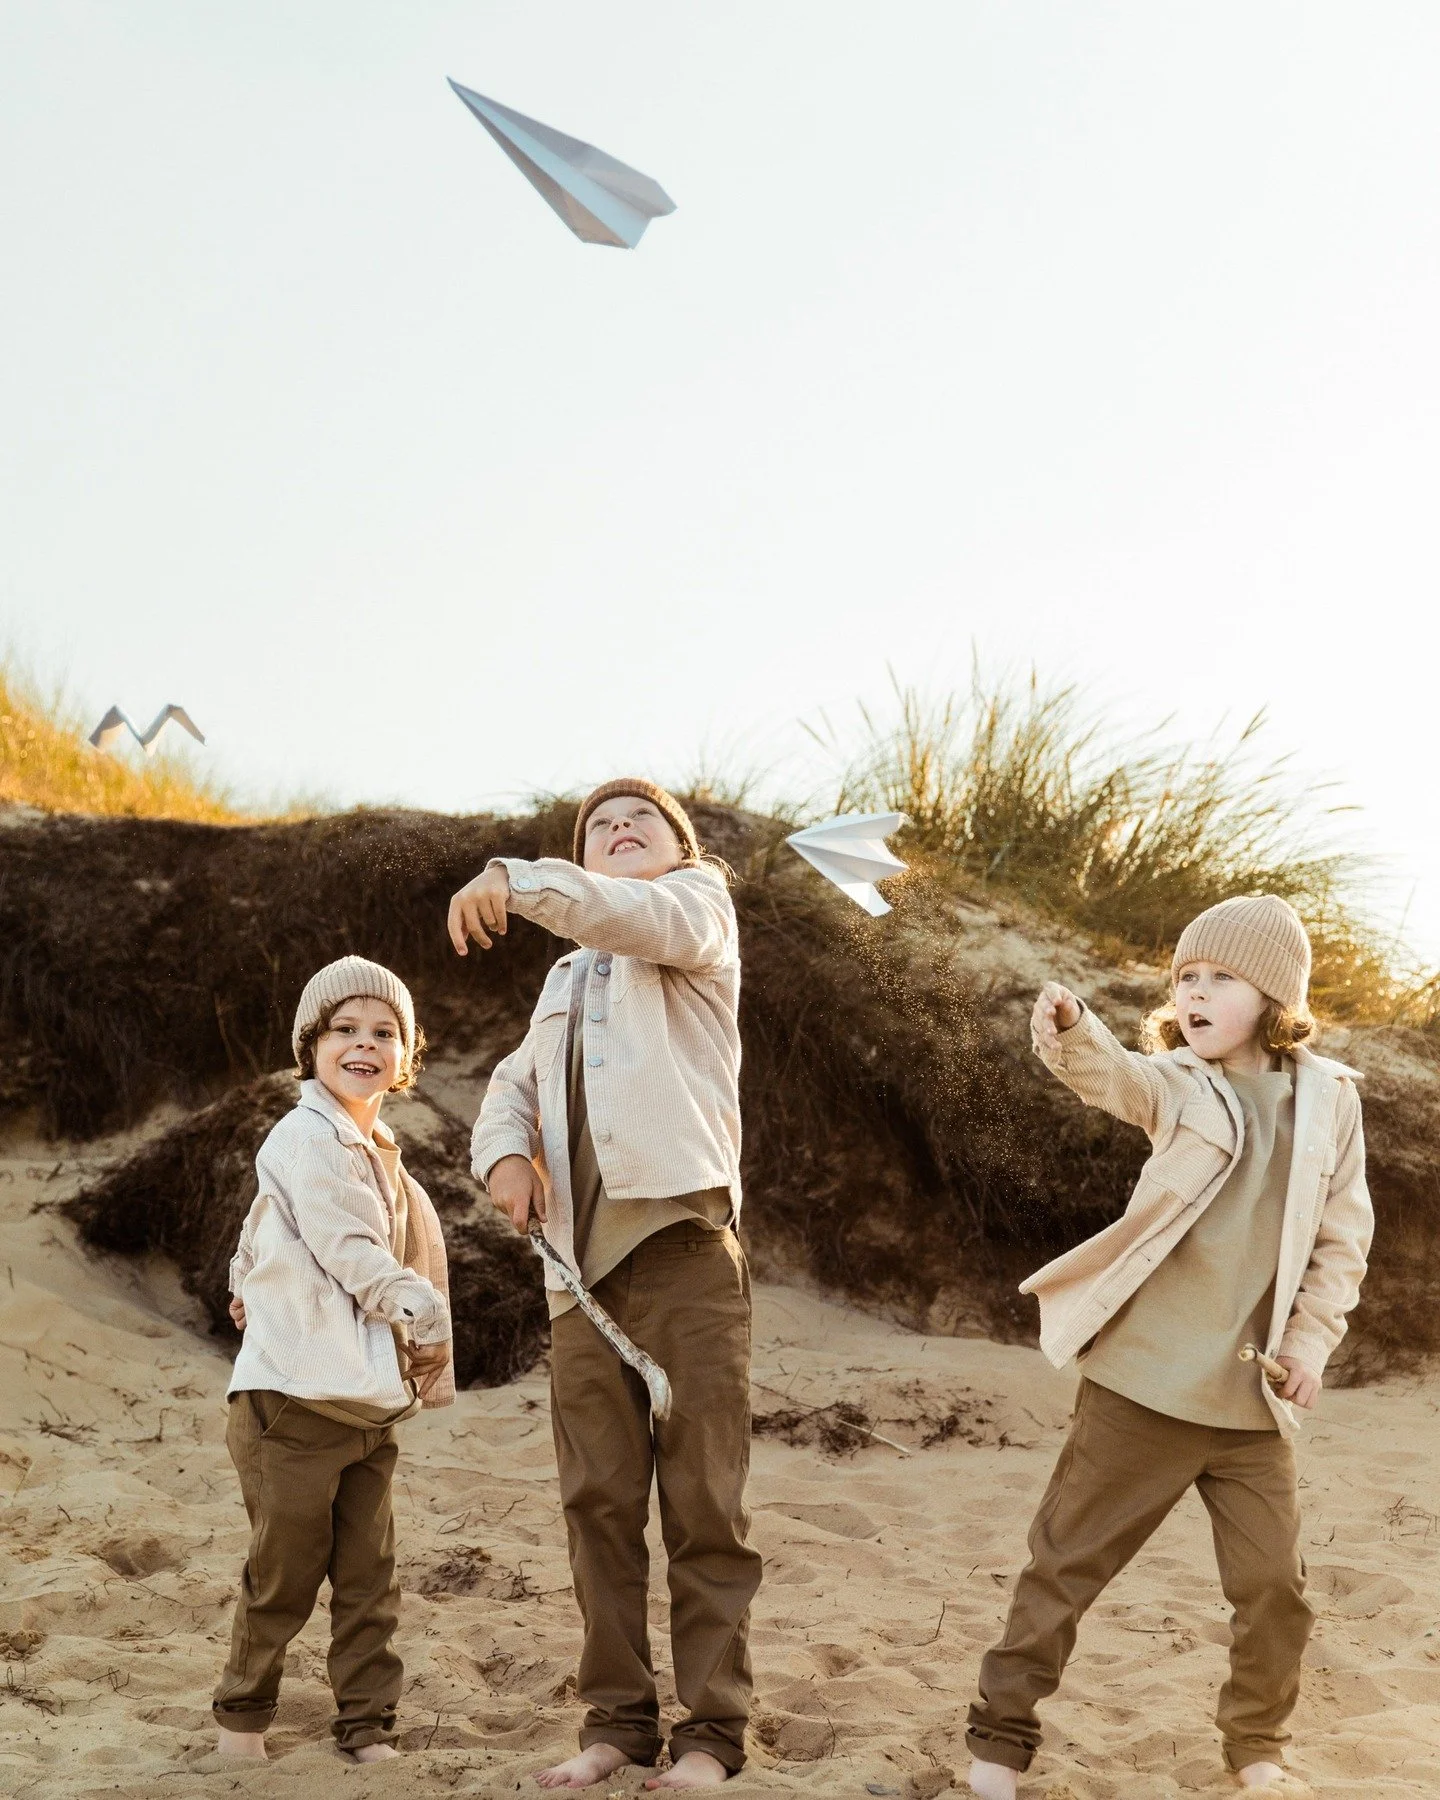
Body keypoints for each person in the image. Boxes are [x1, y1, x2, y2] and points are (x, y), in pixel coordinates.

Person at [965, 895, 1373, 1797]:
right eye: (1186, 976)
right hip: (1142, 1385)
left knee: (1276, 1589)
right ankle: (997, 1745)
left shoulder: (1331, 1100)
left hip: (1250, 1400)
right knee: (1065, 1568)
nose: (1195, 992)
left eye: (1220, 977)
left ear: (1272, 996)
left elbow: (1342, 1244)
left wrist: (1307, 1348)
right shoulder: (1183, 1082)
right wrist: (1074, 1034)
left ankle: (1257, 1749)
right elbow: (1120, 1079)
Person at [451, 780, 761, 1791]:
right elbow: (513, 1084)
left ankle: (712, 1736)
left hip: (683, 1255)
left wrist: (519, 876)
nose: (620, 830)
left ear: (681, 848)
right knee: (597, 1506)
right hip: (577, 1282)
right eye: (599, 825)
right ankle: (618, 1726)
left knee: (704, 1507)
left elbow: (627, 914)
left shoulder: (694, 912)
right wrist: (502, 1155)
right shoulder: (564, 979)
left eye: (642, 822)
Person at [214, 956, 454, 1763]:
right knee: (282, 1577)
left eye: (384, 1033)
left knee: (368, 1581)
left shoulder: (374, 1149)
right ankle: (242, 1725)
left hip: (366, 1407)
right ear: (309, 1048)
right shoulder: (307, 1135)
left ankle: (365, 1728)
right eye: (343, 1030)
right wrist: (414, 1302)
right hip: (291, 1403)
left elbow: (258, 1233)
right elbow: (347, 1243)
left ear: (406, 1054)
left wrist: (248, 1281)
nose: (364, 1044)